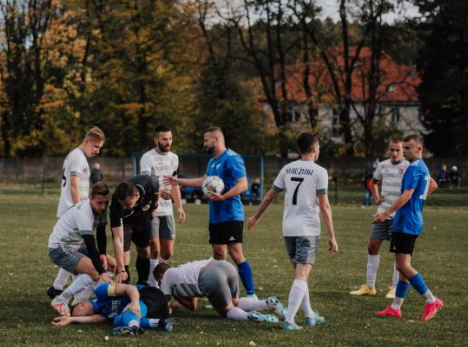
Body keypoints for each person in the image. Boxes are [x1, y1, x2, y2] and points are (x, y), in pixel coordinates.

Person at [248, 133, 338, 331]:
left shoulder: (287, 168)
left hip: (289, 229)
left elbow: (270, 196)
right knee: (301, 275)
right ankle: (290, 320)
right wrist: (332, 235)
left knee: (300, 275)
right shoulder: (319, 171)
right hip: (308, 230)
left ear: (298, 150)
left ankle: (309, 315)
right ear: (315, 149)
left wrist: (255, 217)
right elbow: (324, 206)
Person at [165, 127, 257, 299]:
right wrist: (179, 181)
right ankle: (224, 296)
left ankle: (251, 294)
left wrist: (224, 196)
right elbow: (203, 180)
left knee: (236, 253)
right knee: (218, 255)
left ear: (216, 139)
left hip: (230, 214)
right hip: (215, 215)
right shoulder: (212, 161)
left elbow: (243, 184)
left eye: (206, 140)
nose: (204, 143)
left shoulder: (232, 158)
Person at [374, 134, 442, 322]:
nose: (404, 151)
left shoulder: (413, 167)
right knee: (403, 266)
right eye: (403, 148)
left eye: (407, 148)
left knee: (403, 265)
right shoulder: (423, 168)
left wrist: (385, 214)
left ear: (419, 149)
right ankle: (395, 307)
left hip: (407, 221)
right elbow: (430, 187)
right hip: (410, 220)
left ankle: (431, 299)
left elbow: (407, 195)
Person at [48, 127, 106, 299]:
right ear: (86, 141)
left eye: (99, 147)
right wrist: (78, 210)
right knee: (75, 255)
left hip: (71, 211)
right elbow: (74, 185)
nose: (97, 151)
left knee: (73, 251)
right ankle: (75, 294)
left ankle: (58, 287)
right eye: (95, 146)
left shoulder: (77, 155)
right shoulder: (78, 157)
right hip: (71, 211)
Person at [350, 139, 408, 299]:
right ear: (388, 150)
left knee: (398, 253)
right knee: (372, 247)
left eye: (398, 150)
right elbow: (373, 182)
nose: (395, 153)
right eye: (392, 150)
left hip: (400, 216)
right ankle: (370, 287)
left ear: (403, 151)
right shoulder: (382, 165)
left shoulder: (409, 167)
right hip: (382, 213)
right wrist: (376, 197)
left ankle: (394, 288)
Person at [48, 182, 115, 316]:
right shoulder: (84, 213)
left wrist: (102, 254)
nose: (103, 206)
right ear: (91, 199)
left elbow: (101, 233)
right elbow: (90, 245)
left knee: (113, 265)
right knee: (96, 271)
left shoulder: (103, 209)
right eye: (99, 203)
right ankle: (60, 300)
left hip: (77, 246)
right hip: (60, 248)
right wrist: (102, 272)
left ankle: (79, 299)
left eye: (106, 202)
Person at [153, 259, 284, 324]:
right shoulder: (181, 270)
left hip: (209, 275)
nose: (159, 284)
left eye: (158, 280)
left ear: (160, 275)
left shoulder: (166, 277)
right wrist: (177, 300)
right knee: (235, 302)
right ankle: (266, 303)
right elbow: (193, 306)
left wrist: (168, 308)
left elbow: (163, 308)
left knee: (227, 310)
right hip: (225, 265)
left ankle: (248, 316)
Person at [138, 125, 186, 286]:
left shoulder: (174, 158)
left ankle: (153, 273)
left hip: (168, 210)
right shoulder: (147, 157)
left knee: (168, 252)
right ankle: (154, 284)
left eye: (170, 138)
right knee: (155, 248)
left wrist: (179, 206)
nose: (168, 142)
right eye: (164, 139)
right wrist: (158, 192)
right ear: (156, 140)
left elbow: (174, 184)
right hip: (151, 209)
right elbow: (144, 183)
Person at [51, 282, 175, 335]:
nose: (84, 317)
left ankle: (133, 328)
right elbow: (94, 319)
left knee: (127, 312)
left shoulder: (101, 292)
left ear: (81, 305)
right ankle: (160, 323)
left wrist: (135, 302)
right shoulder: (103, 313)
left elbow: (130, 288)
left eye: (81, 315)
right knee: (116, 320)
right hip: (158, 312)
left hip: (148, 295)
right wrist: (71, 319)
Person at [108, 175, 159, 285]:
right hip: (125, 223)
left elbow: (156, 191)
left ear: (136, 195)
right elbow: (117, 239)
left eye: (127, 204)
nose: (125, 207)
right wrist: (121, 269)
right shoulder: (117, 205)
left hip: (142, 217)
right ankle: (125, 286)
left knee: (145, 251)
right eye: (123, 205)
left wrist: (154, 208)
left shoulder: (149, 183)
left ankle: (143, 282)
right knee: (124, 255)